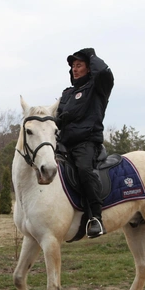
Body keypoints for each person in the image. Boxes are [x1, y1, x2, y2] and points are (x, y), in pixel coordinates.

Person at [56, 47, 114, 238]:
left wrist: (91, 55)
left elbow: (104, 72)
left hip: (86, 143)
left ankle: (95, 218)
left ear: (89, 68)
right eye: (73, 66)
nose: (74, 69)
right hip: (64, 144)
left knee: (83, 170)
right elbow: (57, 117)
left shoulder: (97, 88)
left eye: (79, 65)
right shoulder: (67, 94)